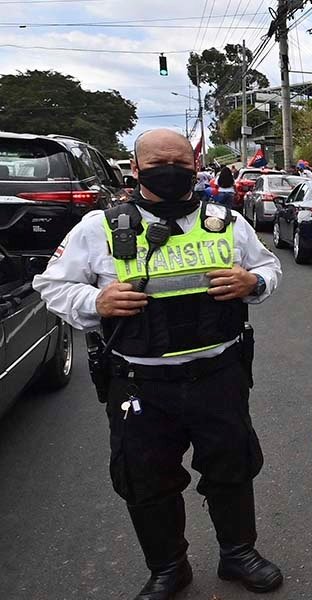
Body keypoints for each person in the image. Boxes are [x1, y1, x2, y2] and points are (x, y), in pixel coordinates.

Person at [33, 129, 284, 600]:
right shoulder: (99, 228)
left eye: (180, 161)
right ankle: (169, 567)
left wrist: (252, 282)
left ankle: (238, 553)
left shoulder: (226, 222)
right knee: (145, 479)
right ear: (135, 168)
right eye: (158, 161)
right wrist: (96, 300)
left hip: (218, 375)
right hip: (140, 382)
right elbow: (51, 286)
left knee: (233, 466)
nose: (171, 169)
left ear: (195, 166)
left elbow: (271, 268)